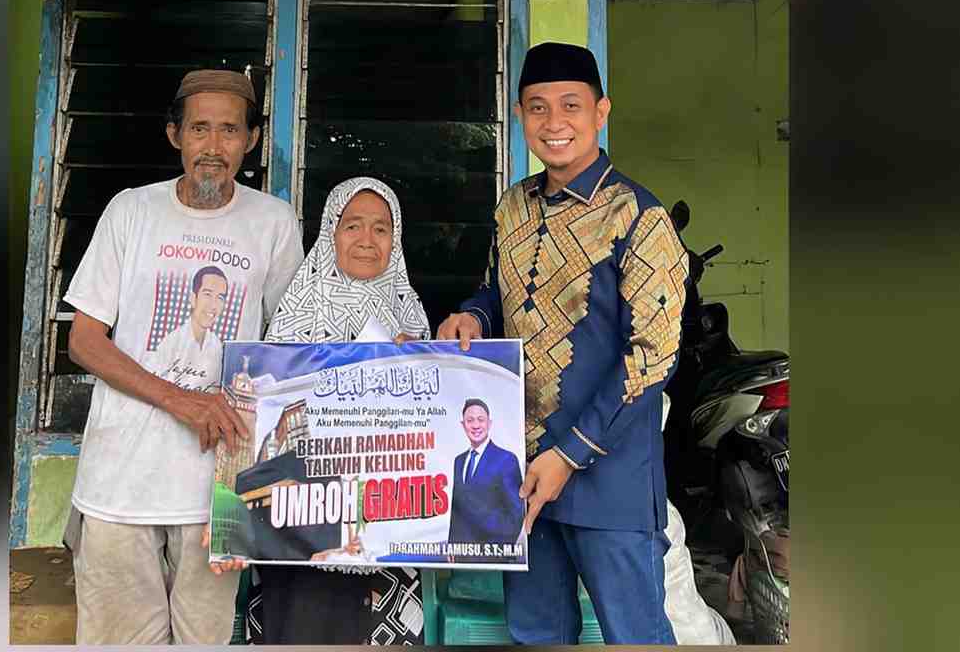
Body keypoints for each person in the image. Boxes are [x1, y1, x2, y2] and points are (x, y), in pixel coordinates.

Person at [436, 42, 688, 645]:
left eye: (571, 105)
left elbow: (653, 355)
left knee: (634, 637)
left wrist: (568, 455)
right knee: (537, 635)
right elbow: (497, 290)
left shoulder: (639, 216)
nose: (554, 122)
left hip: (609, 480)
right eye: (538, 107)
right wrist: (472, 315)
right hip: (522, 476)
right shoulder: (512, 207)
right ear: (519, 116)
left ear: (601, 112)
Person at [62, 69, 304, 645]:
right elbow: (84, 340)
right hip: (120, 481)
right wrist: (183, 401)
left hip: (215, 491)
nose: (213, 146)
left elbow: (290, 346)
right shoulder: (131, 211)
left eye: (229, 130)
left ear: (250, 140)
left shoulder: (273, 221)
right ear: (175, 135)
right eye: (199, 129)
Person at [247, 176, 431, 646]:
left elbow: (430, 433)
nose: (367, 240)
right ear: (331, 231)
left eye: (381, 228)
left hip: (387, 528)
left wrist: (412, 364)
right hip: (304, 529)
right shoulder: (295, 313)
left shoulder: (410, 318)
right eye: (353, 226)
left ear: (395, 239)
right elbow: (271, 430)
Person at [448, 398, 523, 548]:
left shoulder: (506, 459)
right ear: (463, 425)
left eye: (480, 420)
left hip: (492, 551)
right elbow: (456, 509)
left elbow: (516, 515)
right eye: (470, 420)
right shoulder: (459, 461)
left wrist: (496, 550)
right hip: (461, 552)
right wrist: (452, 544)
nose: (475, 425)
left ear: (489, 423)